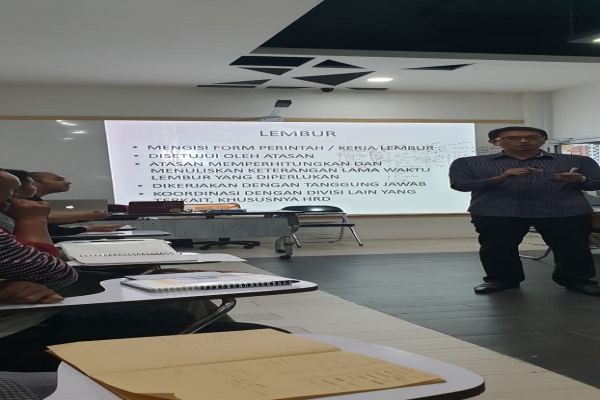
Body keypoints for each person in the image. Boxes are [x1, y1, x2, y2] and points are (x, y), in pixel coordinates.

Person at [449, 126, 600, 296]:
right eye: (512, 138)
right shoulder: (468, 162)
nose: (523, 141)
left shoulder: (579, 161)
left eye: (531, 137)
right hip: (498, 211)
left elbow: (597, 182)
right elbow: (460, 184)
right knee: (498, 247)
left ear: (543, 140)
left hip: (562, 210)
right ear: (494, 142)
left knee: (573, 247)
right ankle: (500, 280)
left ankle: (578, 281)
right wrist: (500, 178)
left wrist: (581, 179)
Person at [28, 171, 123, 235]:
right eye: (58, 179)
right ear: (34, 183)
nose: (68, 182)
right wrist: (88, 225)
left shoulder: (35, 200)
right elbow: (48, 228)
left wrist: (89, 221)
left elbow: (48, 226)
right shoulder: (28, 201)